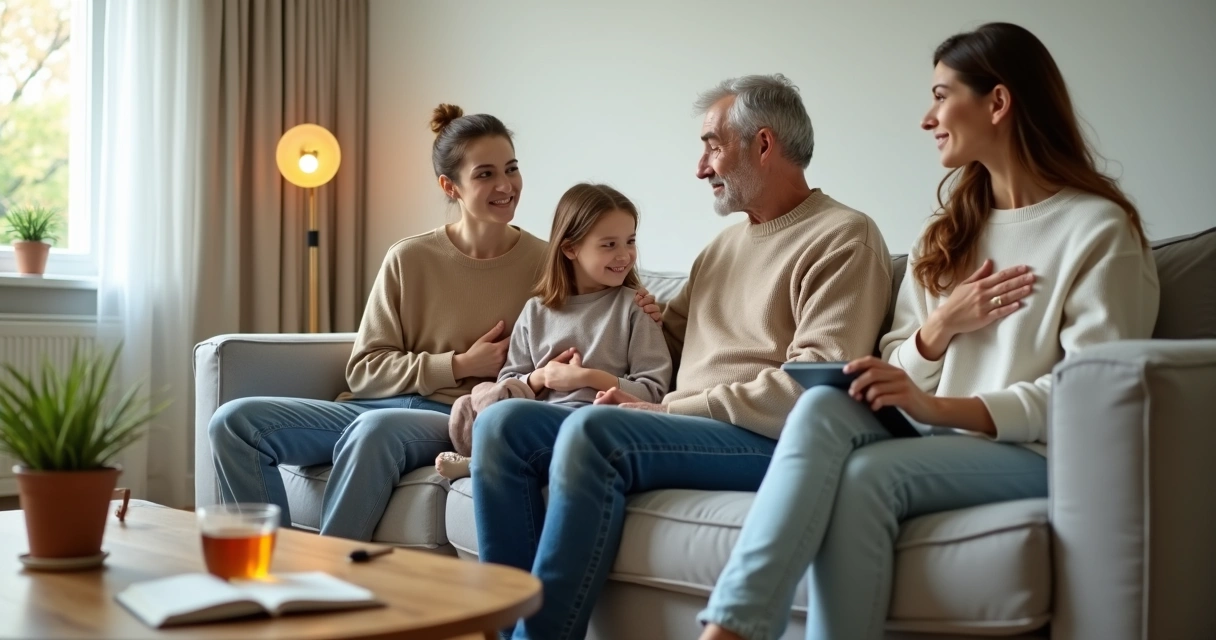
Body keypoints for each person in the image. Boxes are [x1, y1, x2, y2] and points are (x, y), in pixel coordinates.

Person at [697, 23, 1161, 640]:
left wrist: (939, 405)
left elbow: (1092, 397)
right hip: (934, 434)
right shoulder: (948, 231)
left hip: (1038, 453)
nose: (927, 117)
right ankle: (733, 627)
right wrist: (935, 332)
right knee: (820, 410)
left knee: (868, 476)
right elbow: (899, 365)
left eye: (942, 95)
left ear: (997, 102)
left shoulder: (1098, 232)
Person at [471, 74, 893, 639]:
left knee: (596, 434)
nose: (701, 167)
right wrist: (601, 346)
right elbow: (661, 346)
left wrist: (666, 413)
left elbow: (809, 390)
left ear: (763, 146)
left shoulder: (843, 237)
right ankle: (503, 629)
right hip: (683, 423)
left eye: (712, 146)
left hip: (764, 439)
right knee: (502, 425)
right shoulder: (720, 248)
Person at [208, 105, 659, 541]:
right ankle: (262, 574)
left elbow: (609, 299)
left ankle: (330, 579)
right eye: (485, 174)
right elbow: (364, 369)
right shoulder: (410, 257)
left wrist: (658, 311)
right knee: (233, 422)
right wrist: (459, 364)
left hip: (449, 417)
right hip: (373, 406)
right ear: (451, 186)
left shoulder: (549, 263)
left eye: (511, 168)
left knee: (375, 430)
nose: (506, 185)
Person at [435, 183, 672, 479]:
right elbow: (506, 385)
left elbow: (654, 393)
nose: (624, 255)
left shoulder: (635, 307)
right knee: (484, 408)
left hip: (601, 423)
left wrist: (587, 377)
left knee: (512, 421)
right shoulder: (536, 311)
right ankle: (491, 456)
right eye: (609, 245)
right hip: (538, 421)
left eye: (630, 241)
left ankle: (486, 460)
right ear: (570, 248)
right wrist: (541, 377)